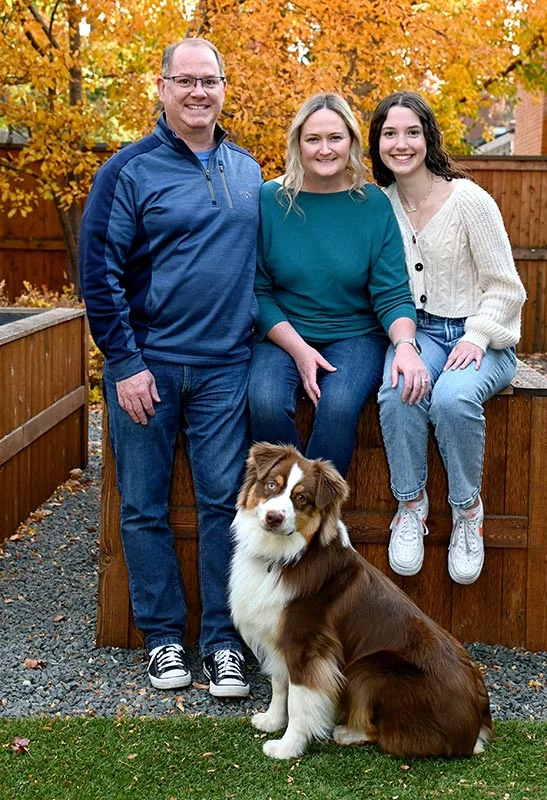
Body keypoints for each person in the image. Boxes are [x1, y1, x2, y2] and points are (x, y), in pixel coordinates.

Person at [79, 38, 262, 697]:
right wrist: (124, 362)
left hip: (224, 371)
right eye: (183, 81)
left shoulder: (248, 171)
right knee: (143, 506)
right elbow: (97, 274)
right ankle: (162, 640)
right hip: (146, 370)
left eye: (208, 80)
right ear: (161, 88)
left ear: (222, 87)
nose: (197, 92)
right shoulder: (127, 172)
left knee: (222, 504)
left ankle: (222, 644)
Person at [368, 91, 527, 584]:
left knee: (453, 400)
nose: (401, 143)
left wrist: (477, 337)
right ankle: (411, 507)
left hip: (480, 335)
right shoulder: (379, 205)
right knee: (399, 395)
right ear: (376, 143)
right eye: (389, 133)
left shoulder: (469, 200)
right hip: (415, 334)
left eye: (411, 132)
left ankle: (466, 513)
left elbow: (506, 287)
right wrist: (403, 343)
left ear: (428, 138)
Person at [249, 93, 423, 478]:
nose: (325, 149)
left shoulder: (372, 204)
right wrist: (299, 350)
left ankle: (312, 514)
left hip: (355, 335)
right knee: (264, 400)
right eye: (313, 139)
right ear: (298, 143)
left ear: (352, 142)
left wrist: (406, 347)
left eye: (335, 138)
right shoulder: (271, 199)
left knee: (339, 405)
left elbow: (392, 292)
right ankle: (287, 503)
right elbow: (257, 290)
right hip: (283, 332)